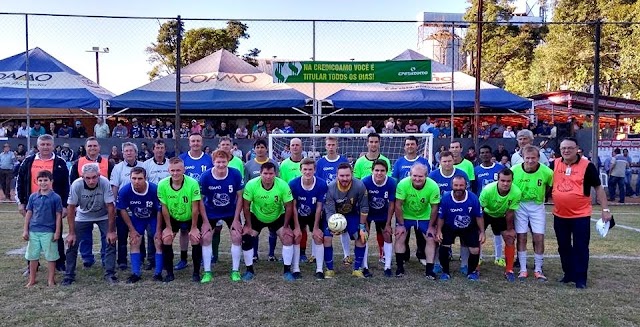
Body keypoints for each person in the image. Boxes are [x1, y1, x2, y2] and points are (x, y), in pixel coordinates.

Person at [551, 137, 611, 289]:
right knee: (563, 246)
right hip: (559, 214)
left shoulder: (587, 165)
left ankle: (580, 278)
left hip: (580, 215)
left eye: (570, 148)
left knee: (581, 247)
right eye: (563, 148)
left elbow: (598, 188)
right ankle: (568, 274)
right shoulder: (555, 163)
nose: (566, 151)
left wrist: (605, 209)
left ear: (577, 148)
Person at [16, 134, 69, 273]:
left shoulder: (60, 162)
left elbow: (66, 185)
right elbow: (20, 182)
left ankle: (59, 263)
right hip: (34, 205)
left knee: (57, 234)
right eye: (42, 144)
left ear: (53, 145)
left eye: (48, 144)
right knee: (33, 235)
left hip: (53, 205)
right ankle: (32, 265)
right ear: (38, 146)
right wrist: (21, 202)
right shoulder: (28, 161)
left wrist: (64, 205)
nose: (45, 147)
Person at [62, 163, 118, 285]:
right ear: (82, 177)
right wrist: (71, 233)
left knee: (111, 240)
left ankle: (110, 273)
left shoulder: (104, 182)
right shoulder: (76, 185)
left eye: (94, 177)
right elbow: (71, 208)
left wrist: (111, 230)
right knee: (72, 242)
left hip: (103, 215)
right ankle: (69, 275)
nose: (91, 181)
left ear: (99, 175)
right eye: (88, 178)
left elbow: (110, 206)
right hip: (83, 215)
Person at [197, 150, 247, 282]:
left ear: (228, 161)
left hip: (230, 211)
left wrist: (236, 219)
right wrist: (205, 221)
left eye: (223, 161)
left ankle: (235, 270)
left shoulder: (235, 174)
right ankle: (207, 272)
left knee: (237, 236)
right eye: (218, 162)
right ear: (213, 162)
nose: (221, 164)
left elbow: (240, 197)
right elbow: (200, 200)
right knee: (206, 237)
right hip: (211, 212)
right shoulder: (206, 176)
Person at [243, 162, 297, 280]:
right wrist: (248, 224)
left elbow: (288, 206)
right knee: (246, 237)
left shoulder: (282, 185)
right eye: (265, 173)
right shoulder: (251, 184)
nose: (268, 176)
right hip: (256, 216)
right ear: (260, 173)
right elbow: (246, 206)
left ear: (275, 174)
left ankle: (287, 271)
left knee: (287, 237)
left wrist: (286, 226)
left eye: (271, 173)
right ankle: (249, 270)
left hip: (277, 217)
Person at [69, 137, 115, 267]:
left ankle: (106, 259)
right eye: (89, 146)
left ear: (99, 147)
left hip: (103, 205)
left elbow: (112, 183)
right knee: (85, 235)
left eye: (95, 146)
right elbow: (73, 183)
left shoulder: (108, 163)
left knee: (105, 234)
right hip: (84, 206)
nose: (92, 148)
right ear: (85, 148)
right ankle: (87, 258)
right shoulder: (78, 163)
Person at [511, 145, 553, 281]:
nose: (530, 161)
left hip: (537, 206)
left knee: (539, 237)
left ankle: (538, 269)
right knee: (521, 236)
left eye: (533, 158)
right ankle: (523, 269)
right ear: (522, 158)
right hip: (520, 205)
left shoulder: (547, 172)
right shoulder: (514, 170)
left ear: (538, 158)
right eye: (527, 158)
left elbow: (550, 187)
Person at [157, 157, 202, 283]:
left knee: (195, 237)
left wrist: (193, 227)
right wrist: (168, 227)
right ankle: (169, 273)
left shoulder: (193, 183)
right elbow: (164, 208)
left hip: (190, 217)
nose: (175, 173)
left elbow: (195, 208)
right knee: (166, 238)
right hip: (173, 217)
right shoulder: (162, 184)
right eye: (172, 170)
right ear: (168, 170)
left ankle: (196, 273)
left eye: (178, 170)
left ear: (184, 170)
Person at [116, 167, 163, 283]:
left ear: (145, 178)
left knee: (158, 241)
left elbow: (159, 210)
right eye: (134, 178)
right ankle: (136, 273)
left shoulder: (154, 189)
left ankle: (158, 273)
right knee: (134, 241)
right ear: (130, 178)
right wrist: (131, 229)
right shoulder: (125, 191)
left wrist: (158, 230)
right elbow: (122, 209)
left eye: (140, 178)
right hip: (137, 218)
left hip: (152, 217)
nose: (136, 181)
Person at [394, 163, 440, 278]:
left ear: (426, 176)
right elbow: (398, 205)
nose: (417, 179)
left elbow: (435, 208)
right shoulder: (403, 184)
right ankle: (400, 268)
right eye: (414, 176)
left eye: (420, 176)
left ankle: (429, 270)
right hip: (406, 215)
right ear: (410, 175)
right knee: (400, 236)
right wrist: (400, 224)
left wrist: (431, 226)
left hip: (424, 216)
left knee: (430, 238)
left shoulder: (433, 186)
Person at [323, 163, 369, 278]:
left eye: (347, 175)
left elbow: (364, 207)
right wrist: (333, 226)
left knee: (362, 237)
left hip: (351, 214)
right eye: (342, 176)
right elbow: (329, 210)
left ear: (352, 174)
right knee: (327, 238)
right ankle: (329, 269)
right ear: (337, 175)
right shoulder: (331, 188)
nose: (345, 178)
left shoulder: (359, 185)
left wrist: (362, 227)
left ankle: (357, 269)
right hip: (334, 215)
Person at [175, 133, 213, 270]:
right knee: (184, 231)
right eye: (193, 141)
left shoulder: (208, 159)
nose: (195, 143)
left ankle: (202, 257)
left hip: (203, 201)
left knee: (201, 230)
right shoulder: (182, 158)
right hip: (185, 202)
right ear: (189, 143)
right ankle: (183, 259)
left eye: (198, 141)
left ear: (202, 143)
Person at [436, 176, 484, 281]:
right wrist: (439, 230)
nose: (458, 188)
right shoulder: (446, 198)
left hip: (468, 227)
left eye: (461, 185)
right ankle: (445, 272)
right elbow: (441, 217)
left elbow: (479, 216)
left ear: (466, 186)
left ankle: (471, 272)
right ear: (451, 186)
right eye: (456, 185)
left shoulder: (473, 198)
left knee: (475, 249)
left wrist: (482, 232)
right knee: (444, 246)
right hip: (449, 226)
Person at [392, 136, 430, 265]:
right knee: (403, 231)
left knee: (421, 232)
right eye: (407, 144)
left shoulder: (424, 162)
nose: (410, 146)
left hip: (420, 202)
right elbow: (395, 181)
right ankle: (404, 255)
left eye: (412, 144)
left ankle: (422, 254)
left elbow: (427, 182)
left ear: (417, 146)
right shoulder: (399, 162)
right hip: (404, 202)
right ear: (404, 146)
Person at [288, 158, 328, 279]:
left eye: (310, 169)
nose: (307, 172)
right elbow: (293, 207)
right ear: (300, 170)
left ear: (315, 170)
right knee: (297, 236)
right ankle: (295, 268)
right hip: (298, 215)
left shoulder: (321, 184)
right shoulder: (293, 184)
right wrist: (296, 227)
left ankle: (319, 269)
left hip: (313, 214)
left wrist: (316, 227)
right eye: (305, 169)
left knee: (318, 236)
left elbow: (319, 207)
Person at [479, 169, 522, 282]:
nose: (505, 184)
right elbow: (480, 210)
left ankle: (509, 270)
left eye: (508, 181)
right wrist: (481, 230)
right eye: (502, 180)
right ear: (498, 180)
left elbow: (510, 212)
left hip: (501, 215)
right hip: (486, 213)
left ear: (512, 181)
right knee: (476, 237)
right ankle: (475, 268)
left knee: (510, 238)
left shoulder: (516, 192)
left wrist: (510, 229)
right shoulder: (488, 190)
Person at [22, 170, 63, 287]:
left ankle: (50, 280)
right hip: (33, 231)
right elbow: (29, 213)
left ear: (51, 182)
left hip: (48, 232)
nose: (43, 183)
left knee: (51, 256)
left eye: (46, 180)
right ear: (36, 182)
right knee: (32, 256)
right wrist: (26, 229)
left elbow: (58, 215)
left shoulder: (56, 198)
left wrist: (57, 232)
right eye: (40, 180)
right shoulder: (33, 197)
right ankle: (32, 279)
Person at [314, 137, 351, 264]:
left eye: (333, 144)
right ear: (325, 146)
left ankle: (347, 255)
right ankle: (315, 254)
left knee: (343, 225)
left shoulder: (343, 160)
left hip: (342, 199)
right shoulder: (320, 163)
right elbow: (318, 181)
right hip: (326, 200)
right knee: (321, 226)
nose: (331, 147)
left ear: (337, 146)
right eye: (328, 145)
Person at [110, 142, 144, 270]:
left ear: (135, 152)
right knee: (123, 235)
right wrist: (114, 205)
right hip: (123, 207)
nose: (129, 153)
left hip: (139, 207)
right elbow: (115, 187)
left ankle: (141, 258)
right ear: (122, 153)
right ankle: (122, 261)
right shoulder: (118, 168)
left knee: (139, 233)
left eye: (131, 151)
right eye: (126, 151)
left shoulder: (142, 165)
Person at [362, 160, 396, 277]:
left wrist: (388, 223)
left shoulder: (391, 183)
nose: (379, 173)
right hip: (368, 212)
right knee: (363, 236)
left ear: (386, 172)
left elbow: (392, 204)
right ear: (372, 171)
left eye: (382, 171)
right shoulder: (365, 182)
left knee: (387, 235)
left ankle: (387, 266)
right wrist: (363, 222)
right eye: (376, 170)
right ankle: (364, 266)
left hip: (383, 213)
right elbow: (362, 203)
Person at [473, 145, 505, 266]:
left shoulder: (499, 168)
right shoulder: (476, 170)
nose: (485, 154)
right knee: (479, 232)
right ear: (479, 155)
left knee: (498, 233)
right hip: (482, 208)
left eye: (487, 152)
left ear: (491, 154)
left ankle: (498, 257)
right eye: (482, 152)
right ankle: (479, 257)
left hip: (497, 207)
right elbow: (475, 188)